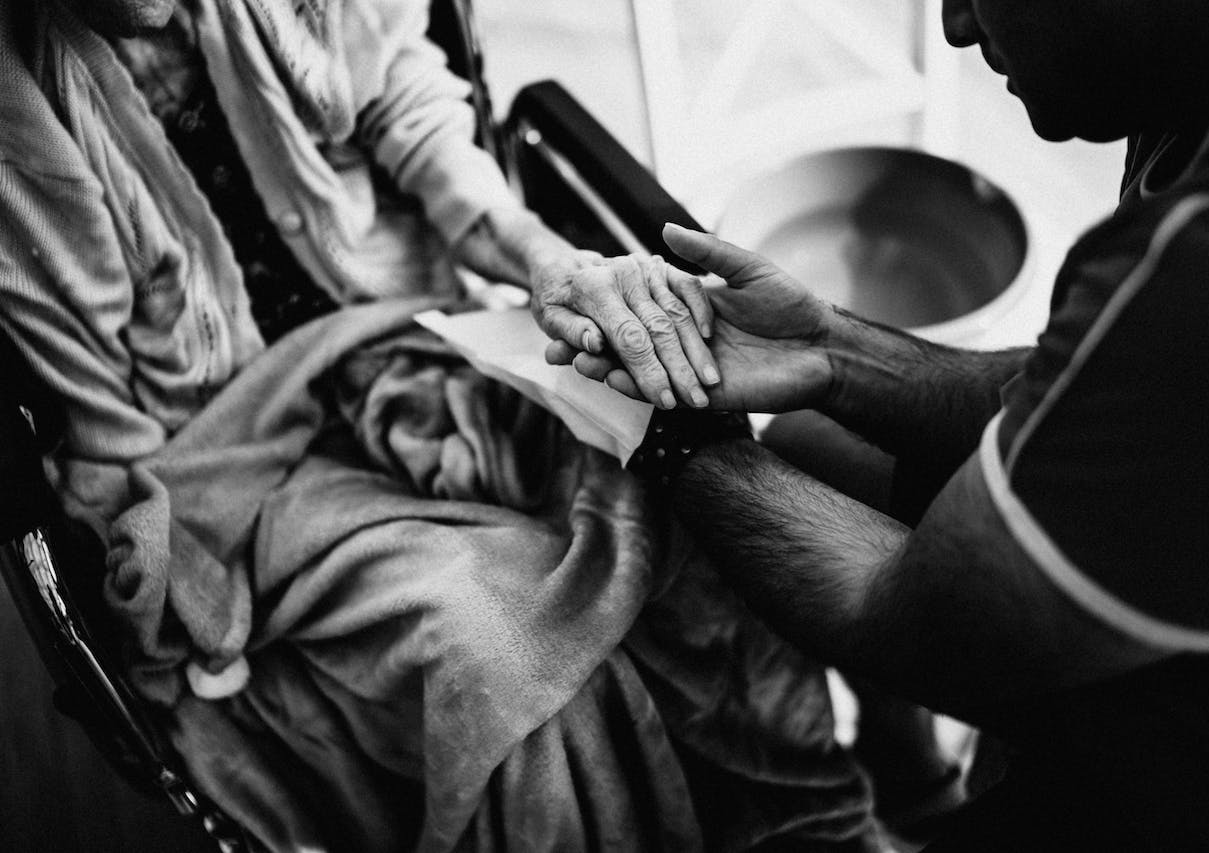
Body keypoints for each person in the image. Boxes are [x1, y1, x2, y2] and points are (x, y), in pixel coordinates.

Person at [0, 0, 888, 850]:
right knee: (506, 665)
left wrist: (547, 261)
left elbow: (411, 111)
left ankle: (811, 826)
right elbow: (92, 406)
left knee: (698, 496)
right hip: (222, 445)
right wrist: (166, 582)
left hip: (423, 327)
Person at [553, 0, 1209, 849]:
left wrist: (658, 425)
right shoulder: (1192, 76)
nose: (952, 29)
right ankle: (913, 774)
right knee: (812, 442)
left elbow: (911, 620)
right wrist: (831, 350)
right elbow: (1090, 389)